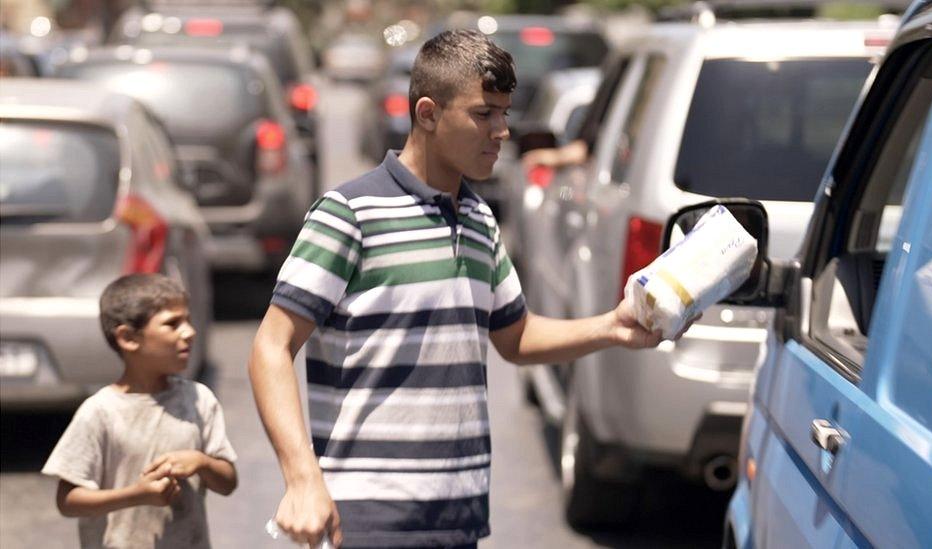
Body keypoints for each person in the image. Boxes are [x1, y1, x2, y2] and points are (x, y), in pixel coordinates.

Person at [249, 29, 689, 548]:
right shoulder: (349, 215)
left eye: (505, 113)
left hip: (459, 515)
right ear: (428, 113)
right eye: (484, 114)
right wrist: (302, 480)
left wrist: (612, 327)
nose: (502, 130)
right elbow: (271, 348)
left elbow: (515, 337)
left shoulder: (479, 218)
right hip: (365, 516)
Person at [42, 274, 238, 549]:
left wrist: (202, 462)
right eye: (172, 323)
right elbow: (68, 500)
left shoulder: (198, 399)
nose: (189, 331)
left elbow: (228, 482)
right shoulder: (100, 412)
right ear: (128, 338)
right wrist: (136, 495)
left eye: (188, 320)